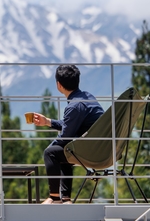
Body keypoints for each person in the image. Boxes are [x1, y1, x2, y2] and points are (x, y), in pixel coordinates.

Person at [32, 64, 104, 204]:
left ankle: (54, 197)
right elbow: (71, 126)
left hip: (93, 152)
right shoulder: (87, 97)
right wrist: (48, 122)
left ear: (59, 85)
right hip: (102, 147)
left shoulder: (74, 106)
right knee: (64, 150)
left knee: (51, 153)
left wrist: (50, 147)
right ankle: (65, 198)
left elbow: (65, 136)